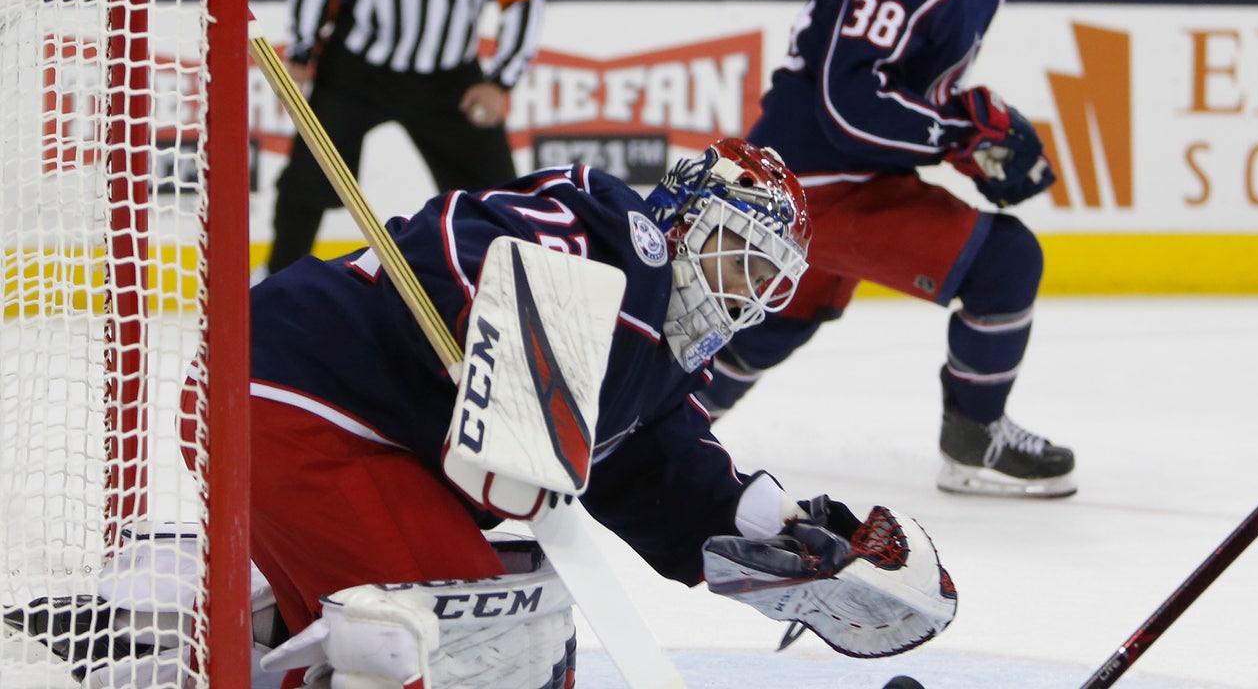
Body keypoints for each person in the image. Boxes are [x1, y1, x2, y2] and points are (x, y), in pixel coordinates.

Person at [239, 139, 957, 686]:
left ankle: (263, 642)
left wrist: (793, 543)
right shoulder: (616, 237)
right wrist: (524, 359)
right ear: (683, 223)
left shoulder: (653, 367)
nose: (745, 296)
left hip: (352, 435)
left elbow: (661, 475)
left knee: (521, 631)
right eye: (740, 260)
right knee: (456, 646)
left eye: (766, 283)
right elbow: (458, 240)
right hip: (295, 397)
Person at [695, 0, 1078, 499]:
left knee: (780, 324)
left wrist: (964, 124)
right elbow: (848, 106)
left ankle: (648, 424)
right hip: (812, 183)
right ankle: (976, 437)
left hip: (845, 173)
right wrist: (954, 135)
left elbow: (899, 83)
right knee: (1005, 262)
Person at [263, 0, 545, 275]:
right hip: (357, 69)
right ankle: (277, 282)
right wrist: (301, 54)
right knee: (306, 182)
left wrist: (499, 81)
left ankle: (510, 287)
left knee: (495, 197)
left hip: (450, 80)